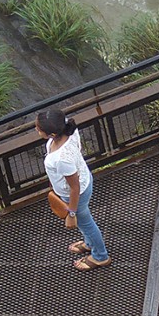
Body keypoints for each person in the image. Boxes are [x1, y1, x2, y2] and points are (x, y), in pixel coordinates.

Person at [36, 108, 111, 271]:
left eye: (39, 129)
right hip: (83, 179)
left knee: (86, 224)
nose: (37, 130)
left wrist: (71, 213)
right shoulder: (68, 128)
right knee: (85, 224)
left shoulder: (62, 159)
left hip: (77, 193)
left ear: (52, 134)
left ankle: (100, 256)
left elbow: (74, 188)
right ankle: (89, 243)